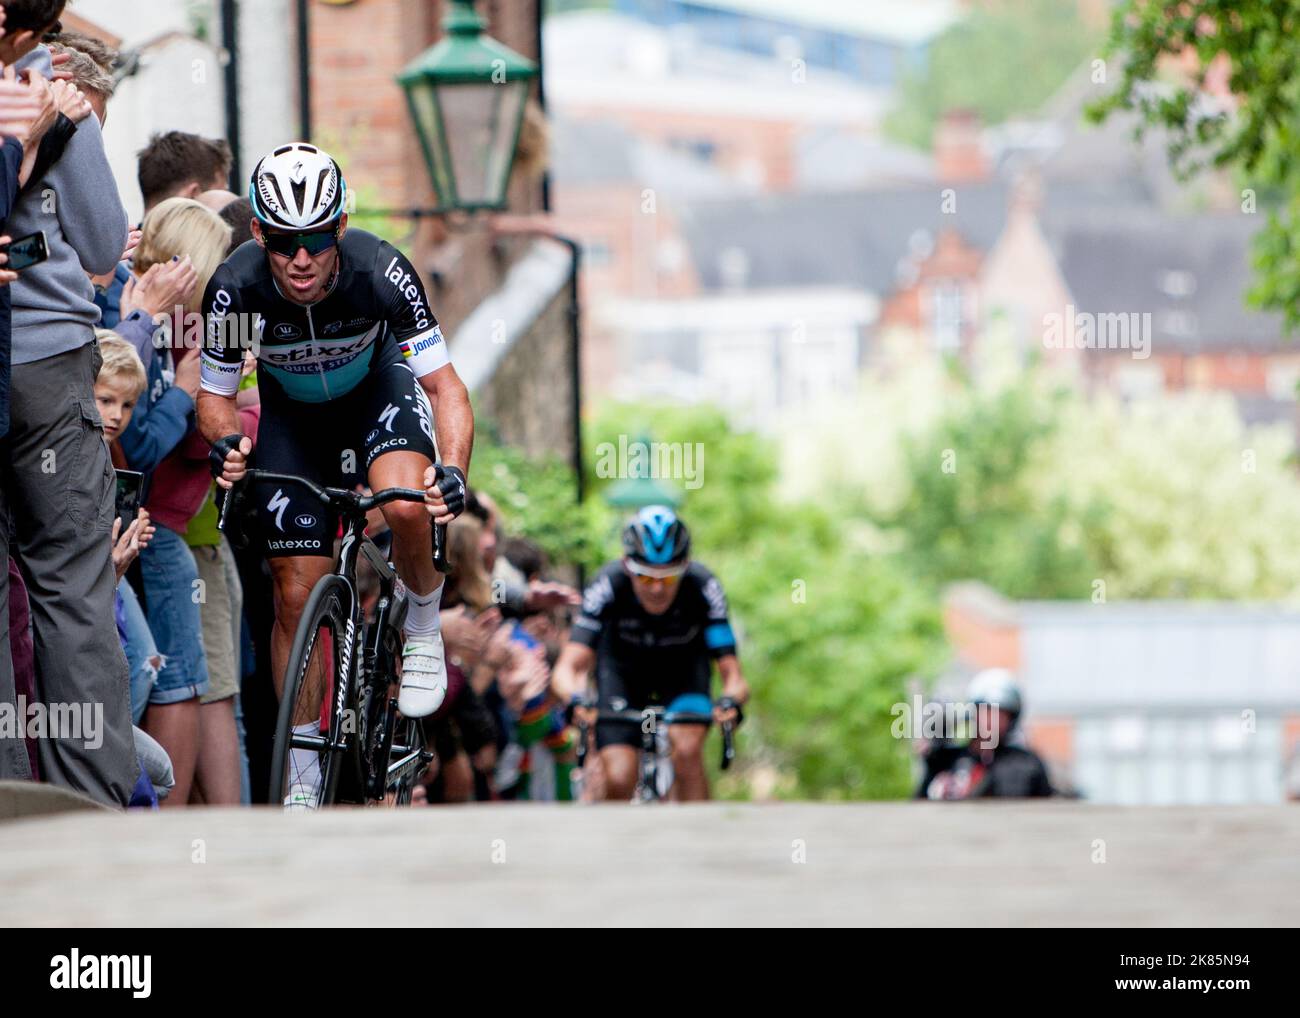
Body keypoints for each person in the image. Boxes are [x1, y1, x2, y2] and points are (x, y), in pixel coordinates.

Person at [200, 143, 474, 809]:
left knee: (407, 503)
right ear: (260, 231)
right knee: (295, 593)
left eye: (317, 240)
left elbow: (445, 389)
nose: (301, 259)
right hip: (295, 419)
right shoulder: (236, 286)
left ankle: (421, 623)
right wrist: (228, 441)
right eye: (286, 241)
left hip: (377, 394)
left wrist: (454, 471)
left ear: (340, 228)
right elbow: (213, 395)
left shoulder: (382, 271)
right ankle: (302, 765)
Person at [2, 13, 137, 806]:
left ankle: (7, 796)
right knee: (73, 587)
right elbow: (98, 244)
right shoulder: (51, 86)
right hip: (49, 364)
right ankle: (90, 805)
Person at [552, 506, 749, 802]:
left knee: (687, 751)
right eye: (645, 578)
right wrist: (576, 698)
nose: (657, 588)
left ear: (685, 566)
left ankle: (701, 839)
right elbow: (567, 668)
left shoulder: (703, 586)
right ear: (627, 566)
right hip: (621, 672)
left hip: (683, 672)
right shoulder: (608, 584)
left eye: (668, 578)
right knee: (619, 774)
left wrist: (731, 701)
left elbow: (733, 675)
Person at [915, 668, 1054, 799]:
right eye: (986, 710)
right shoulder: (947, 760)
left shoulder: (1026, 765)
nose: (993, 719)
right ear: (973, 712)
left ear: (1011, 719)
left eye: (1001, 714)